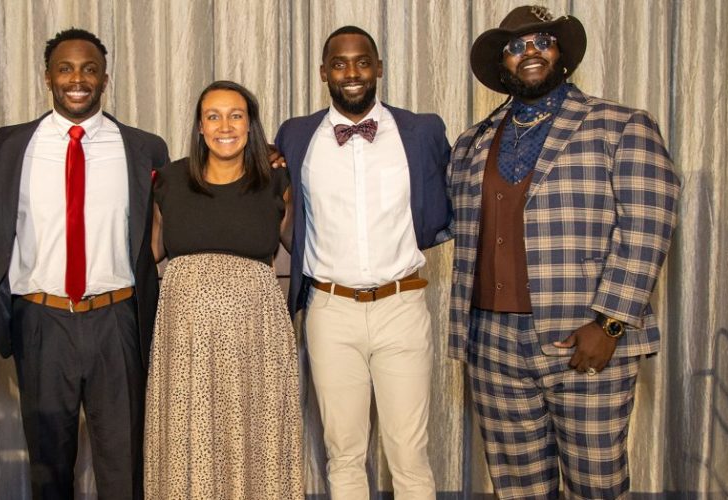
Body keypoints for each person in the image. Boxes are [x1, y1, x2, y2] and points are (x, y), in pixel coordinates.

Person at [447, 5, 681, 498]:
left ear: (562, 55)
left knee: (596, 484)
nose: (529, 53)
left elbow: (648, 224)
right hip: (491, 345)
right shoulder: (472, 142)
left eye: (541, 42)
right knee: (517, 487)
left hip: (585, 338)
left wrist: (611, 322)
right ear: (502, 66)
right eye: (515, 47)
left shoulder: (620, 125)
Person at [0, 28, 168, 500]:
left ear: (105, 78)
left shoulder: (145, 148)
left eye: (89, 69)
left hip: (118, 318)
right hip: (40, 320)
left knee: (124, 461)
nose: (77, 79)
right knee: (48, 463)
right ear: (48, 77)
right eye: (65, 68)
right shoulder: (7, 147)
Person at [274, 26, 451, 499]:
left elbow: (446, 203)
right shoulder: (296, 135)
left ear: (378, 68)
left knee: (409, 455)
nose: (351, 72)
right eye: (340, 63)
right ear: (323, 73)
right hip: (330, 311)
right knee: (344, 453)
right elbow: (284, 211)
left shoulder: (421, 130)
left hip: (402, 305)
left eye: (362, 61)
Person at [143, 80, 303, 499]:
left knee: (255, 434)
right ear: (199, 126)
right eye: (213, 116)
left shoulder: (275, 181)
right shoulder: (170, 180)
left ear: (250, 125)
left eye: (236, 115)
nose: (224, 125)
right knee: (188, 434)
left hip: (257, 337)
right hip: (185, 340)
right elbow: (150, 250)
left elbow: (304, 247)